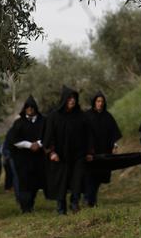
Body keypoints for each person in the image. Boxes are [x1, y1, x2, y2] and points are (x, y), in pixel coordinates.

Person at [44, 86, 93, 215]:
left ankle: (75, 204)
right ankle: (61, 208)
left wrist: (89, 152)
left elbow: (88, 135)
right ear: (64, 99)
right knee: (62, 181)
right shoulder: (54, 116)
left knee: (77, 180)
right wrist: (52, 152)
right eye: (70, 98)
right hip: (60, 156)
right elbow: (49, 136)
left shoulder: (81, 116)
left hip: (78, 155)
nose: (72, 101)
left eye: (74, 98)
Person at [83, 91, 122, 207]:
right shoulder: (86, 116)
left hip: (104, 151)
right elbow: (82, 134)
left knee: (99, 176)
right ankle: (87, 199)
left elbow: (113, 133)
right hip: (90, 152)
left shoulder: (108, 116)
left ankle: (92, 200)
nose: (100, 104)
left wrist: (114, 146)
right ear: (94, 102)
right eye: (98, 101)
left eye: (102, 101)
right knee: (89, 176)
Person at [8, 96, 47, 213]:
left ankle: (31, 203)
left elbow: (48, 135)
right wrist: (29, 145)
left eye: (32, 107)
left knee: (35, 183)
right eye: (28, 107)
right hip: (22, 159)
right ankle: (25, 207)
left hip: (38, 158)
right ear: (24, 109)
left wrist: (38, 144)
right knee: (24, 183)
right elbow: (13, 140)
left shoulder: (43, 121)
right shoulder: (19, 123)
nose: (30, 109)